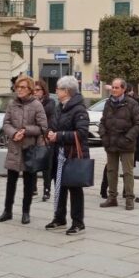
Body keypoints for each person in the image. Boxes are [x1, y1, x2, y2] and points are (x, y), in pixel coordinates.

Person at [0, 75, 48, 225]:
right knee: (11, 181)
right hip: (14, 147)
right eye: (17, 87)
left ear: (30, 89)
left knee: (28, 182)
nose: (19, 90)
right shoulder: (12, 104)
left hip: (29, 148)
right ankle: (7, 210)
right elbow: (5, 123)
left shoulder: (37, 105)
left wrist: (25, 131)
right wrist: (13, 133)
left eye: (23, 87)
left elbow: (43, 127)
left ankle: (26, 212)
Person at [44, 75, 89, 235]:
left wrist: (59, 136)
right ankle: (59, 218)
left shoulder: (79, 109)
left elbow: (82, 133)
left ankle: (78, 222)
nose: (55, 90)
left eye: (58, 88)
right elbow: (52, 125)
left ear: (67, 91)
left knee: (74, 188)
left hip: (73, 154)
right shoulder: (59, 107)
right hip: (59, 153)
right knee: (59, 186)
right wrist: (50, 133)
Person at [99, 78, 139, 210]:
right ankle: (112, 197)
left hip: (126, 144)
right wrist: (103, 135)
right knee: (111, 171)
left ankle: (129, 199)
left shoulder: (132, 104)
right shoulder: (108, 103)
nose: (113, 90)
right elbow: (103, 121)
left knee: (127, 172)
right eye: (113, 87)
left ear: (123, 89)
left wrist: (128, 138)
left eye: (116, 87)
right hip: (111, 143)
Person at [34, 79, 57, 201]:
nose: (35, 92)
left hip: (45, 137)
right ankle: (33, 188)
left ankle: (46, 190)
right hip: (33, 136)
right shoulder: (30, 103)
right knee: (32, 162)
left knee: (46, 166)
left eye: (38, 90)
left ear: (44, 91)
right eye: (34, 90)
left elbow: (44, 114)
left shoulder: (50, 102)